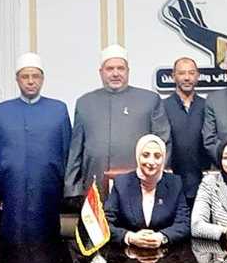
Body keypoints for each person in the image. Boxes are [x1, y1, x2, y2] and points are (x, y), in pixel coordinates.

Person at [0, 52, 72, 244]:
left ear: (42, 79)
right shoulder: (0, 111)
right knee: (12, 241)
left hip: (48, 189)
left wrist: (68, 191)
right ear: (17, 80)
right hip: (11, 191)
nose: (30, 81)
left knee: (47, 242)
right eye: (25, 76)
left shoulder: (58, 110)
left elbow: (67, 153)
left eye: (35, 76)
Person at [66, 44, 171, 198]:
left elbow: (163, 144)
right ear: (101, 72)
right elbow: (76, 150)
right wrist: (72, 189)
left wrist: (154, 178)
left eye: (120, 68)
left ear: (128, 71)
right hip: (95, 187)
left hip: (140, 188)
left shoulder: (150, 100)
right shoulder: (85, 103)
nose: (115, 74)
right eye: (110, 69)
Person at [105, 134, 192, 247]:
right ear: (138, 156)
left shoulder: (174, 183)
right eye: (145, 155)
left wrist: (162, 237)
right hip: (127, 252)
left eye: (157, 156)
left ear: (163, 158)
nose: (151, 162)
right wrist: (129, 237)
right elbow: (105, 222)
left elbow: (184, 223)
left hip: (166, 253)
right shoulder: (122, 183)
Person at [162, 56, 212, 207]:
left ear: (197, 76)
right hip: (171, 184)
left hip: (204, 184)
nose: (187, 78)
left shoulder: (207, 106)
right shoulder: (162, 106)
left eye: (191, 73)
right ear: (173, 76)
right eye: (182, 73)